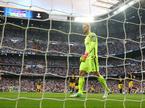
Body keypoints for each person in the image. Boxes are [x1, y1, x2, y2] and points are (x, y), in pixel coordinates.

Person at [70, 23, 110, 98]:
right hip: (86, 57)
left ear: (88, 27)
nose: (83, 29)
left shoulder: (93, 35)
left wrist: (87, 54)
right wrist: (84, 55)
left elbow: (93, 45)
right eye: (83, 27)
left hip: (92, 57)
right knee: (81, 72)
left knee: (96, 73)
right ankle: (80, 92)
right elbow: (87, 48)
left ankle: (107, 90)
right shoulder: (86, 38)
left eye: (84, 27)